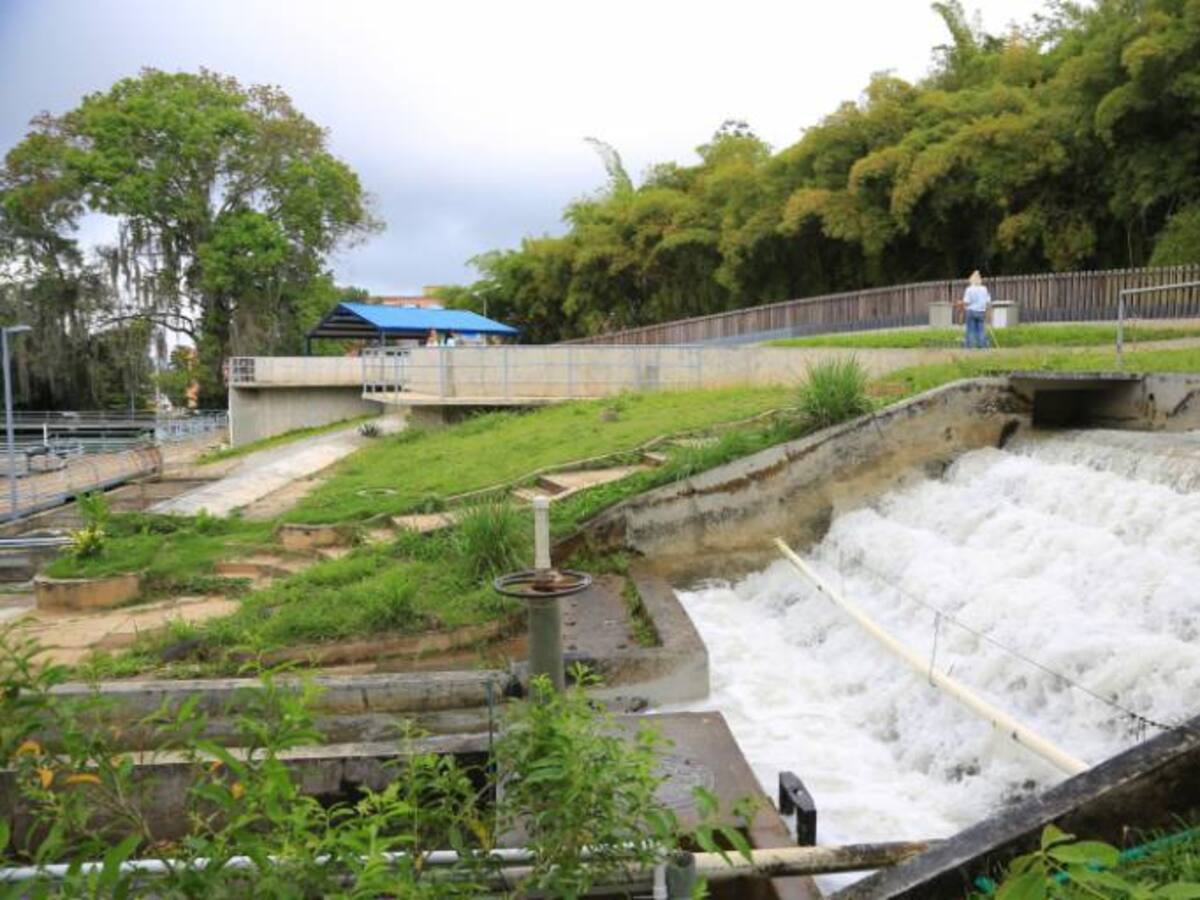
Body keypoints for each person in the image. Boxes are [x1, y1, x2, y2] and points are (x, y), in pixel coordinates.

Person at [958, 270, 991, 349]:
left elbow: (967, 302)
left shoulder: (969, 289)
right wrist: (988, 313)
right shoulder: (984, 289)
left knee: (970, 330)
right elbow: (987, 302)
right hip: (981, 311)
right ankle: (982, 346)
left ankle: (969, 346)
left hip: (971, 311)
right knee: (981, 330)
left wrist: (960, 303)